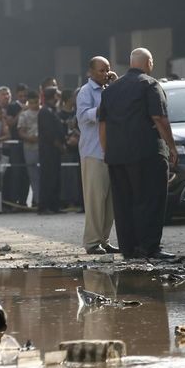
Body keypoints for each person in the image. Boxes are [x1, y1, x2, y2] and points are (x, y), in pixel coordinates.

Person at [99, 48, 178, 260]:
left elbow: (103, 126)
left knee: (123, 203)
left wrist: (108, 151)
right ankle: (150, 247)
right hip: (146, 153)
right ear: (149, 63)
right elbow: (159, 118)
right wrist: (172, 147)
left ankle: (128, 248)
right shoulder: (150, 84)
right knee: (150, 199)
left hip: (116, 156)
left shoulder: (110, 90)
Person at [76, 56, 118, 255]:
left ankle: (104, 239)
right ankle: (92, 242)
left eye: (107, 69)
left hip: (110, 151)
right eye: (101, 70)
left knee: (109, 200)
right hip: (93, 152)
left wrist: (115, 87)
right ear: (90, 72)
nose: (105, 73)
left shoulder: (108, 90)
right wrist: (103, 108)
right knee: (95, 200)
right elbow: (83, 116)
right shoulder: (86, 92)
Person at [38, 87, 64, 215]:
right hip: (48, 150)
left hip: (55, 152)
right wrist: (60, 145)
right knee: (48, 178)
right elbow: (49, 133)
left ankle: (54, 205)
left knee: (55, 178)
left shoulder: (53, 111)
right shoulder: (44, 112)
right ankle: (44, 206)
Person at [17, 91, 41, 208]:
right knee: (33, 176)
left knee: (44, 175)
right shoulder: (24, 115)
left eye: (36, 102)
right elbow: (21, 131)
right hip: (29, 147)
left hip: (43, 148)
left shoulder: (44, 112)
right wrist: (29, 138)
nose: (34, 105)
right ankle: (37, 200)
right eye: (31, 103)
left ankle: (43, 199)